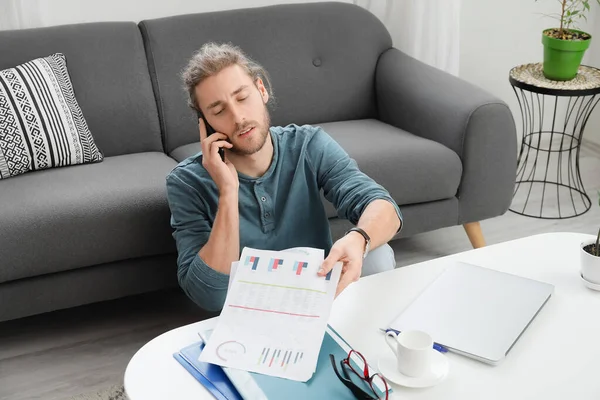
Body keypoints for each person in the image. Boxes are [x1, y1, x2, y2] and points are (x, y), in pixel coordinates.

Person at [166, 42, 403, 312]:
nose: (238, 117)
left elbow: (384, 208)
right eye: (219, 111)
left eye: (242, 97)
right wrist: (228, 191)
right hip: (246, 311)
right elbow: (210, 296)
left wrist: (359, 237)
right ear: (205, 124)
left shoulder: (308, 144)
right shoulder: (186, 182)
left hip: (318, 292)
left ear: (262, 90)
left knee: (378, 254)